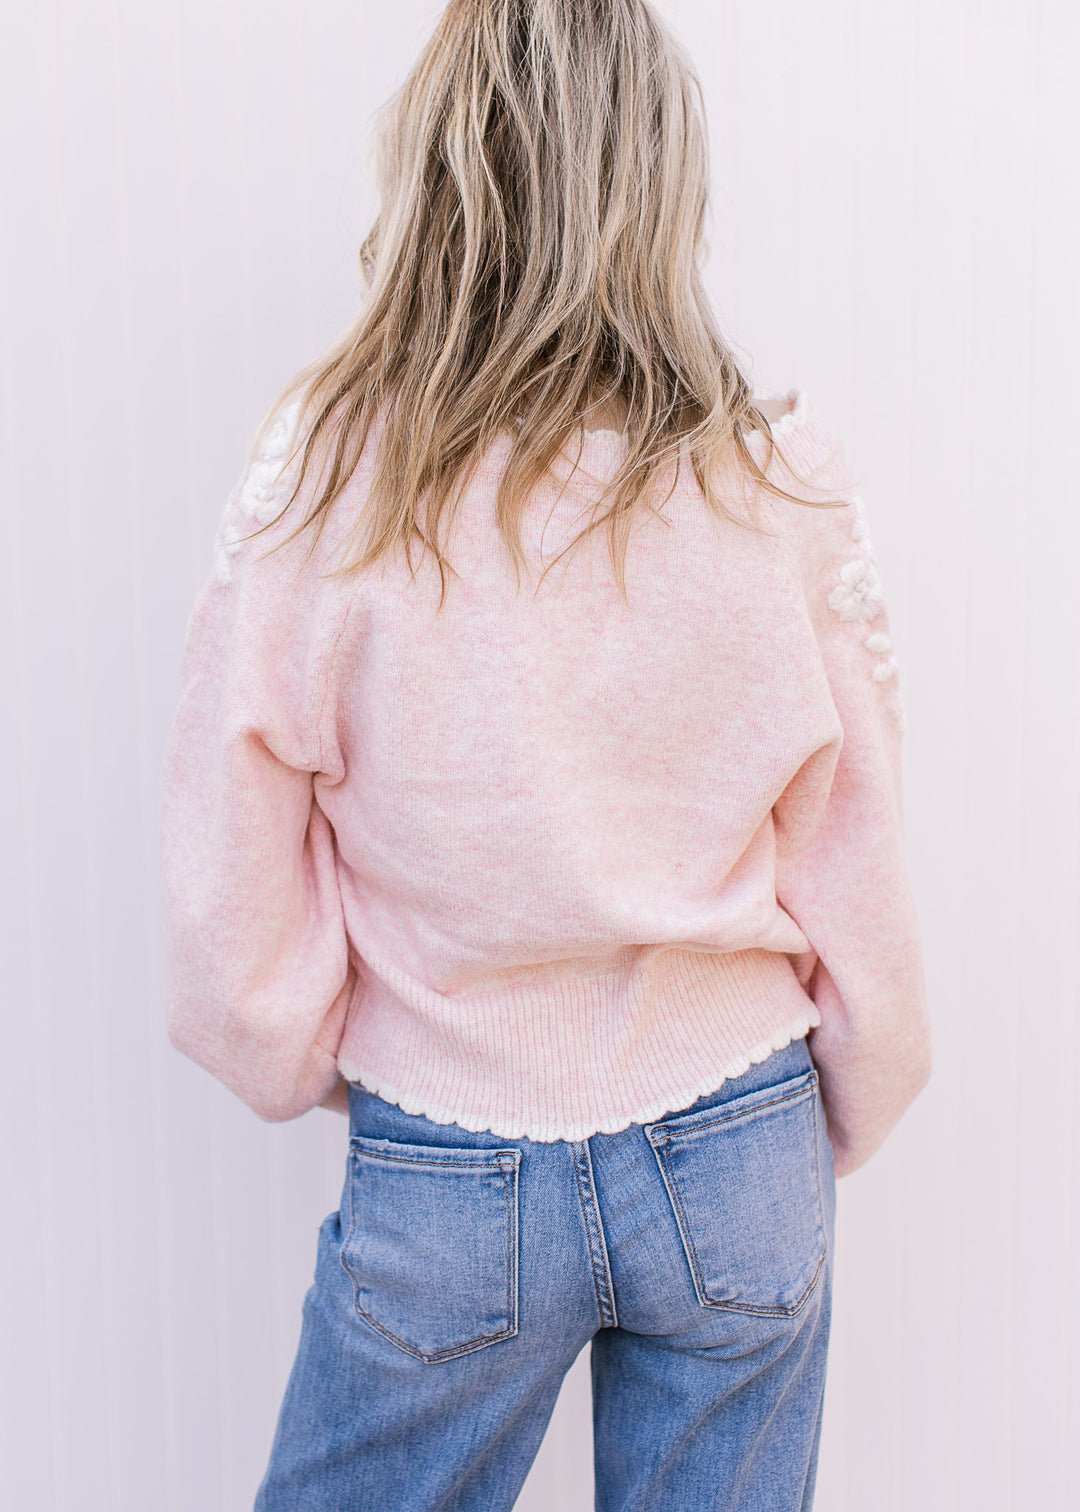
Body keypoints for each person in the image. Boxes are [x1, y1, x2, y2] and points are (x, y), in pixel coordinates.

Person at [160, 1, 931, 1507]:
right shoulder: (776, 481)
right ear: (662, 182)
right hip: (745, 1145)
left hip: (448, 1161)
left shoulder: (329, 476)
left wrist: (308, 1048)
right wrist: (854, 1086)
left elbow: (229, 878)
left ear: (439, 169)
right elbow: (859, 842)